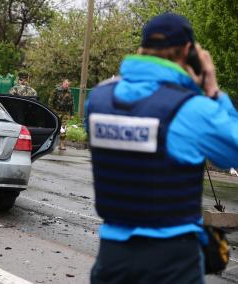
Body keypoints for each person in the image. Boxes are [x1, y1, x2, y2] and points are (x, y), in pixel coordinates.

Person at [85, 13, 238, 283]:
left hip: (112, 259)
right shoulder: (193, 109)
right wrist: (212, 91)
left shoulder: (98, 100)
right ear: (189, 52)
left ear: (142, 49)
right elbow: (231, 152)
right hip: (172, 261)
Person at [50, 79, 74, 150]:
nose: (67, 86)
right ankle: (51, 144)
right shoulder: (56, 90)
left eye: (68, 85)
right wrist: (52, 111)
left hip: (65, 113)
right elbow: (51, 101)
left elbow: (72, 104)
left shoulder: (70, 92)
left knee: (63, 129)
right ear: (63, 83)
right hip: (56, 112)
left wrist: (72, 114)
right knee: (54, 127)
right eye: (66, 84)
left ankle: (62, 144)